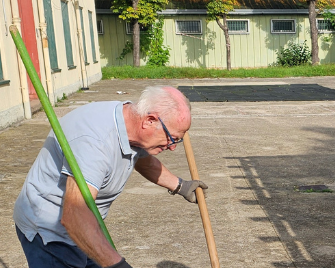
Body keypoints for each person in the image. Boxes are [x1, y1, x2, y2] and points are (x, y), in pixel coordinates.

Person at [13, 85, 208, 268]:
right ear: (150, 120)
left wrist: (181, 186)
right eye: (172, 138)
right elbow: (74, 215)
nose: (173, 147)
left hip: (86, 221)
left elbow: (143, 158)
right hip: (50, 231)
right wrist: (117, 265)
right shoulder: (95, 142)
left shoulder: (131, 122)